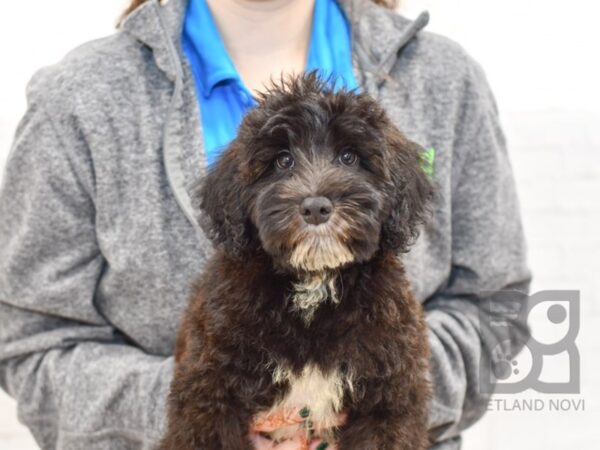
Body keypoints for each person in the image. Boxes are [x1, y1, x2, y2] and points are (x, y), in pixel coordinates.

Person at [0, 0, 531, 449]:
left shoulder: (446, 78)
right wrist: (207, 410)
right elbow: (32, 346)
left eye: (348, 160)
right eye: (280, 165)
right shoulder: (77, 100)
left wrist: (382, 401)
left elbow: (495, 306)